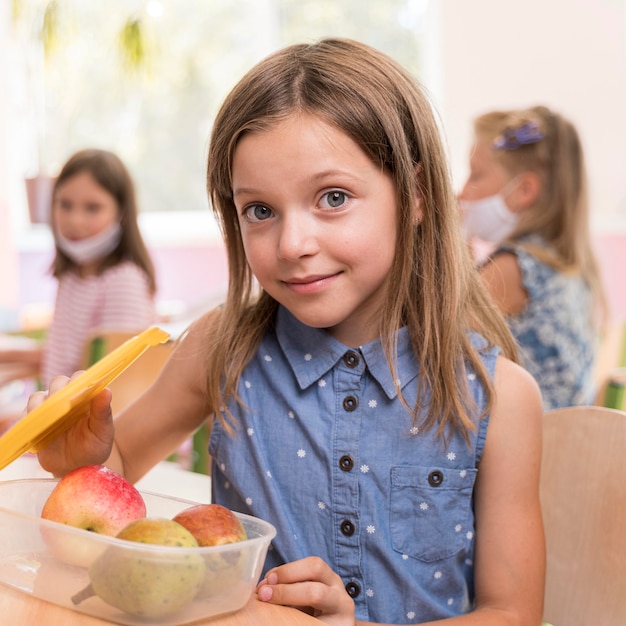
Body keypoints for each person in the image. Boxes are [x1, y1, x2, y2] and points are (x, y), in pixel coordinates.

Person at [28, 39, 545, 625]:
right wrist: (85, 463)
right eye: (260, 210)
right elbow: (111, 493)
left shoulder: (498, 398)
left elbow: (514, 614)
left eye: (333, 198)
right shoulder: (222, 349)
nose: (293, 245)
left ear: (417, 195)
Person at [458, 106, 607, 411]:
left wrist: (451, 249)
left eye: (475, 176)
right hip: (573, 446)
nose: (461, 192)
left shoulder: (515, 268)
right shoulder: (563, 265)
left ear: (524, 190)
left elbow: (436, 342)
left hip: (537, 449)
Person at [0, 149, 157, 389]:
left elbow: (118, 382)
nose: (75, 220)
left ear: (122, 214)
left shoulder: (123, 281)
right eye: (65, 204)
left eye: (92, 208)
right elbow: (65, 357)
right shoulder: (72, 277)